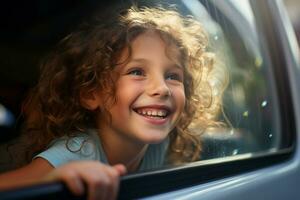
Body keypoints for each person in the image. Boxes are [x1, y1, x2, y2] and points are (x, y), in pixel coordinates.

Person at [0, 6, 226, 200]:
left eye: (173, 76)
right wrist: (52, 180)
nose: (162, 88)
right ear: (91, 94)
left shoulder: (159, 146)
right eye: (137, 71)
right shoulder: (78, 151)